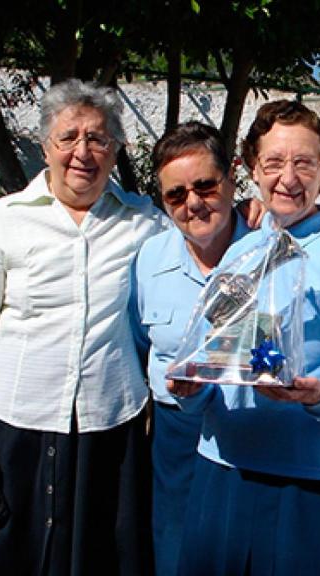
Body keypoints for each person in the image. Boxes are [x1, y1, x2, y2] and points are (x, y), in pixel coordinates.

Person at [0, 78, 164, 575]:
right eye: (69, 137)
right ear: (45, 147)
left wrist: (244, 215)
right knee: (2, 553)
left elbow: (201, 243)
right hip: (16, 421)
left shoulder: (145, 222)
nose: (83, 151)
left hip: (109, 423)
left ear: (116, 148)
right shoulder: (4, 219)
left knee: (96, 556)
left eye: (99, 138)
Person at [171, 100, 320, 576]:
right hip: (221, 469)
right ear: (253, 169)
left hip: (305, 486)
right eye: (273, 163)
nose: (287, 178)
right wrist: (191, 390)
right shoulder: (243, 251)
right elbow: (221, 356)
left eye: (304, 163)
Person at [132, 121, 256, 576]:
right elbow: (136, 341)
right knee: (176, 557)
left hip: (251, 431)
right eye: (176, 195)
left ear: (232, 180)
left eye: (205, 186)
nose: (193, 203)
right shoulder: (149, 260)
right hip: (176, 436)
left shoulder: (271, 251)